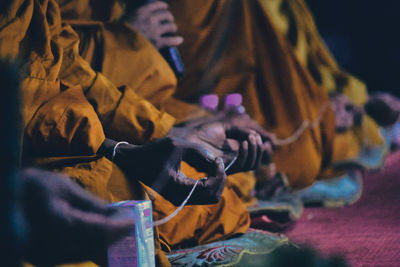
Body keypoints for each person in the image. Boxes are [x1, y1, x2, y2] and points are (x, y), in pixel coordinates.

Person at [0, 1, 272, 265]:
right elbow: (24, 99)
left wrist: (166, 129)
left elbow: (67, 67)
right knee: (107, 218)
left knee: (217, 202)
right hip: (27, 156)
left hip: (71, 126)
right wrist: (126, 38)